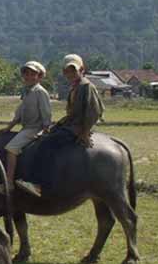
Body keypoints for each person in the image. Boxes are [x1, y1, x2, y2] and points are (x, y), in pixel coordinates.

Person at [16, 54, 104, 197]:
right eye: (67, 71)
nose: (70, 74)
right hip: (70, 125)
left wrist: (84, 132)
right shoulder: (76, 86)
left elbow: (94, 111)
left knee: (46, 144)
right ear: (64, 72)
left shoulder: (86, 86)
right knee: (45, 136)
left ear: (82, 69)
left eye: (73, 70)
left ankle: (38, 183)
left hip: (76, 129)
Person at [0, 61, 51, 195]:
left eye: (33, 74)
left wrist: (44, 130)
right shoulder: (27, 92)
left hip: (35, 128)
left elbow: (46, 113)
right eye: (26, 74)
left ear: (39, 76)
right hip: (26, 128)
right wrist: (8, 128)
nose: (29, 77)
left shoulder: (40, 92)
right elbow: (19, 113)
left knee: (11, 149)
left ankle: (9, 183)